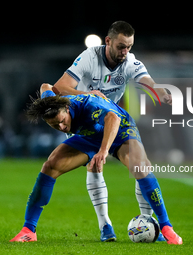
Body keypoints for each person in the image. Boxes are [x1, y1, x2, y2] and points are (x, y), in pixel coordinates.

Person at [9, 84, 182, 245]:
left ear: (67, 109)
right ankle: (29, 230)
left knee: (140, 167)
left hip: (121, 130)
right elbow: (45, 86)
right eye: (54, 125)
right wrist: (48, 98)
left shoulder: (89, 106)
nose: (61, 127)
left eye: (62, 121)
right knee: (50, 166)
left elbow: (112, 118)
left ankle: (166, 226)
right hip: (89, 137)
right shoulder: (52, 105)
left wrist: (104, 151)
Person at [51, 21, 172, 241]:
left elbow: (148, 81)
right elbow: (59, 88)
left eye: (129, 46)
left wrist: (161, 92)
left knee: (140, 165)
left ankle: (149, 221)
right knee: (94, 165)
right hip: (83, 120)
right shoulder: (89, 57)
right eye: (121, 46)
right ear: (108, 41)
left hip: (111, 121)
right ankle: (105, 226)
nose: (125, 51)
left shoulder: (130, 62)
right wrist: (86, 95)